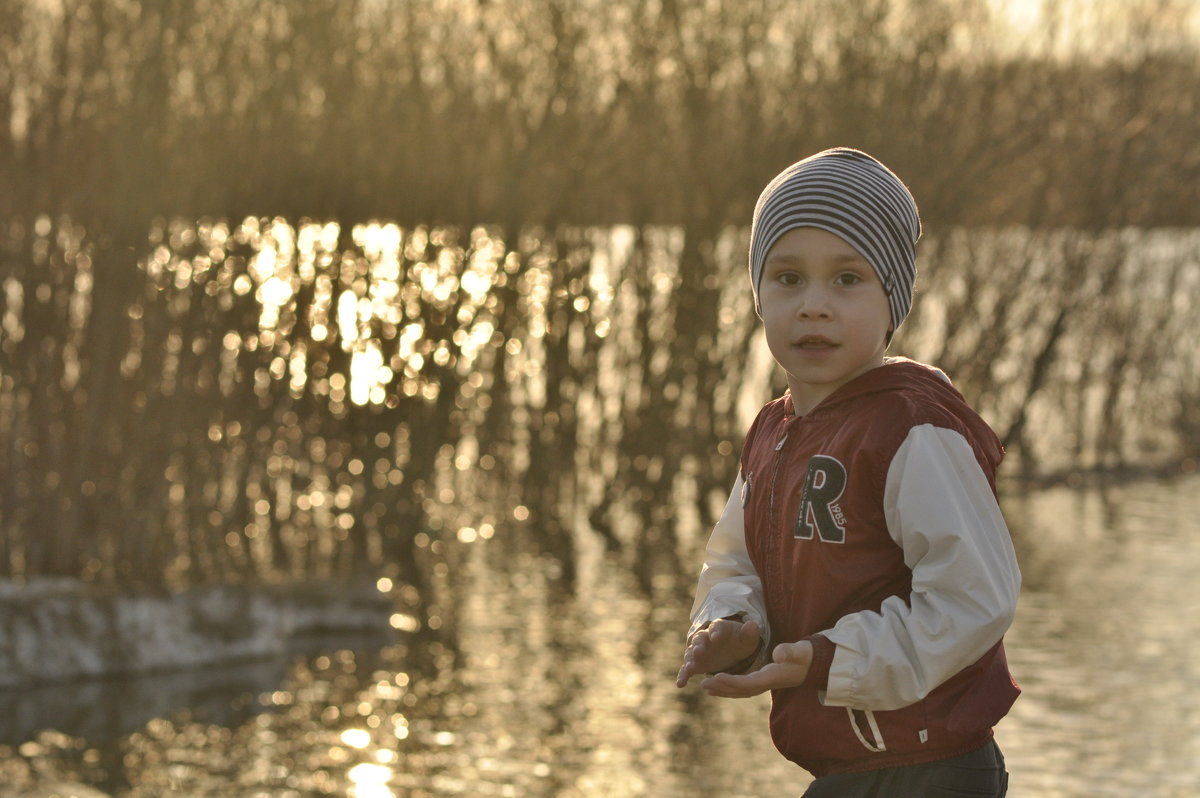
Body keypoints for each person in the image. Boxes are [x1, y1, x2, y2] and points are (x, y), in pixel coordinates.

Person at [675, 148, 1020, 797]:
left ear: (893, 299)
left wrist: (833, 659)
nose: (813, 305)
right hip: (848, 765)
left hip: (930, 764)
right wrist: (733, 627)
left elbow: (974, 600)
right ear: (757, 295)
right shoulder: (772, 432)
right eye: (787, 278)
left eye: (846, 279)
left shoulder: (912, 429)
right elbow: (736, 561)